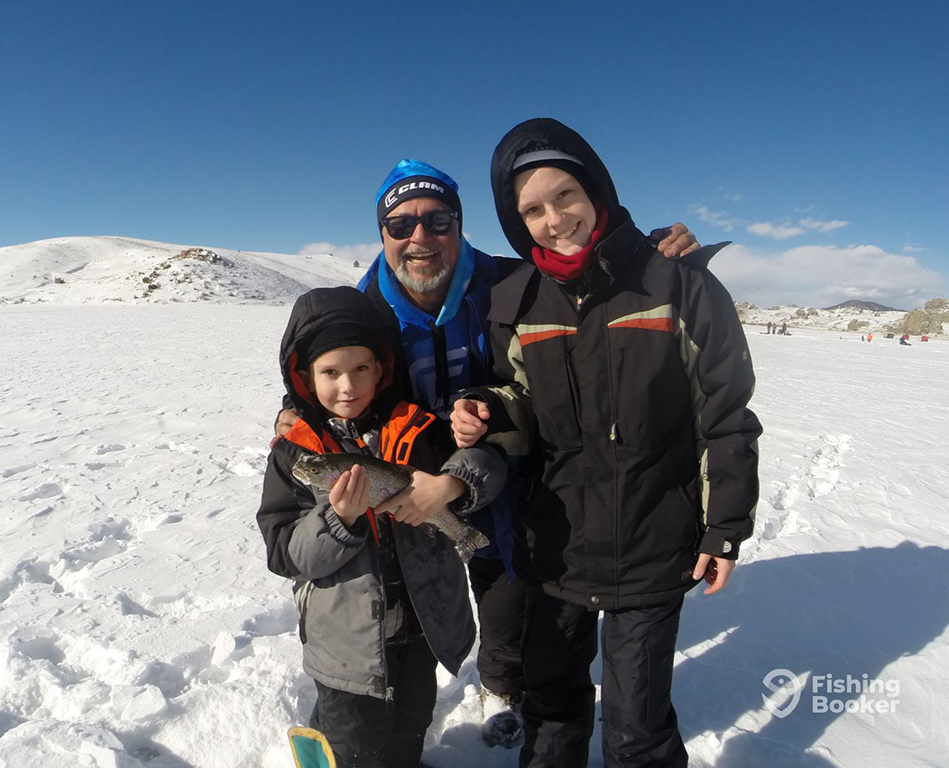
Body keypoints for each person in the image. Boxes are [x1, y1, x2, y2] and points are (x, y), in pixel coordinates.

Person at [273, 159, 702, 739]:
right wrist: (293, 408)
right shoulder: (365, 306)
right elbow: (324, 363)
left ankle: (500, 681)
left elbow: (585, 280)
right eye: (400, 225)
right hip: (410, 477)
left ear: (459, 225)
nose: (419, 237)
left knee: (506, 587)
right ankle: (391, 703)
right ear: (382, 234)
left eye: (437, 220)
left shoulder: (508, 282)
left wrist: (646, 256)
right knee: (419, 591)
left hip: (510, 465)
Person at [451, 117, 762, 768]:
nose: (554, 218)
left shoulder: (678, 282)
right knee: (554, 716)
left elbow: (725, 413)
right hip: (556, 549)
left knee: (635, 734)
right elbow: (521, 400)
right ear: (516, 222)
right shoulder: (517, 298)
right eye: (531, 209)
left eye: (565, 195)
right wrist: (486, 410)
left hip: (652, 546)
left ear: (596, 190)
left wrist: (724, 528)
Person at [257, 286, 506, 767]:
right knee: (350, 744)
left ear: (382, 369)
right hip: (346, 647)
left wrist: (452, 484)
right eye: (330, 372)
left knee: (410, 728)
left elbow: (488, 464)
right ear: (306, 377)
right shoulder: (295, 453)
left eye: (360, 369)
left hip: (420, 630)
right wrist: (339, 518)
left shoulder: (418, 429)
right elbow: (284, 554)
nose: (347, 386)